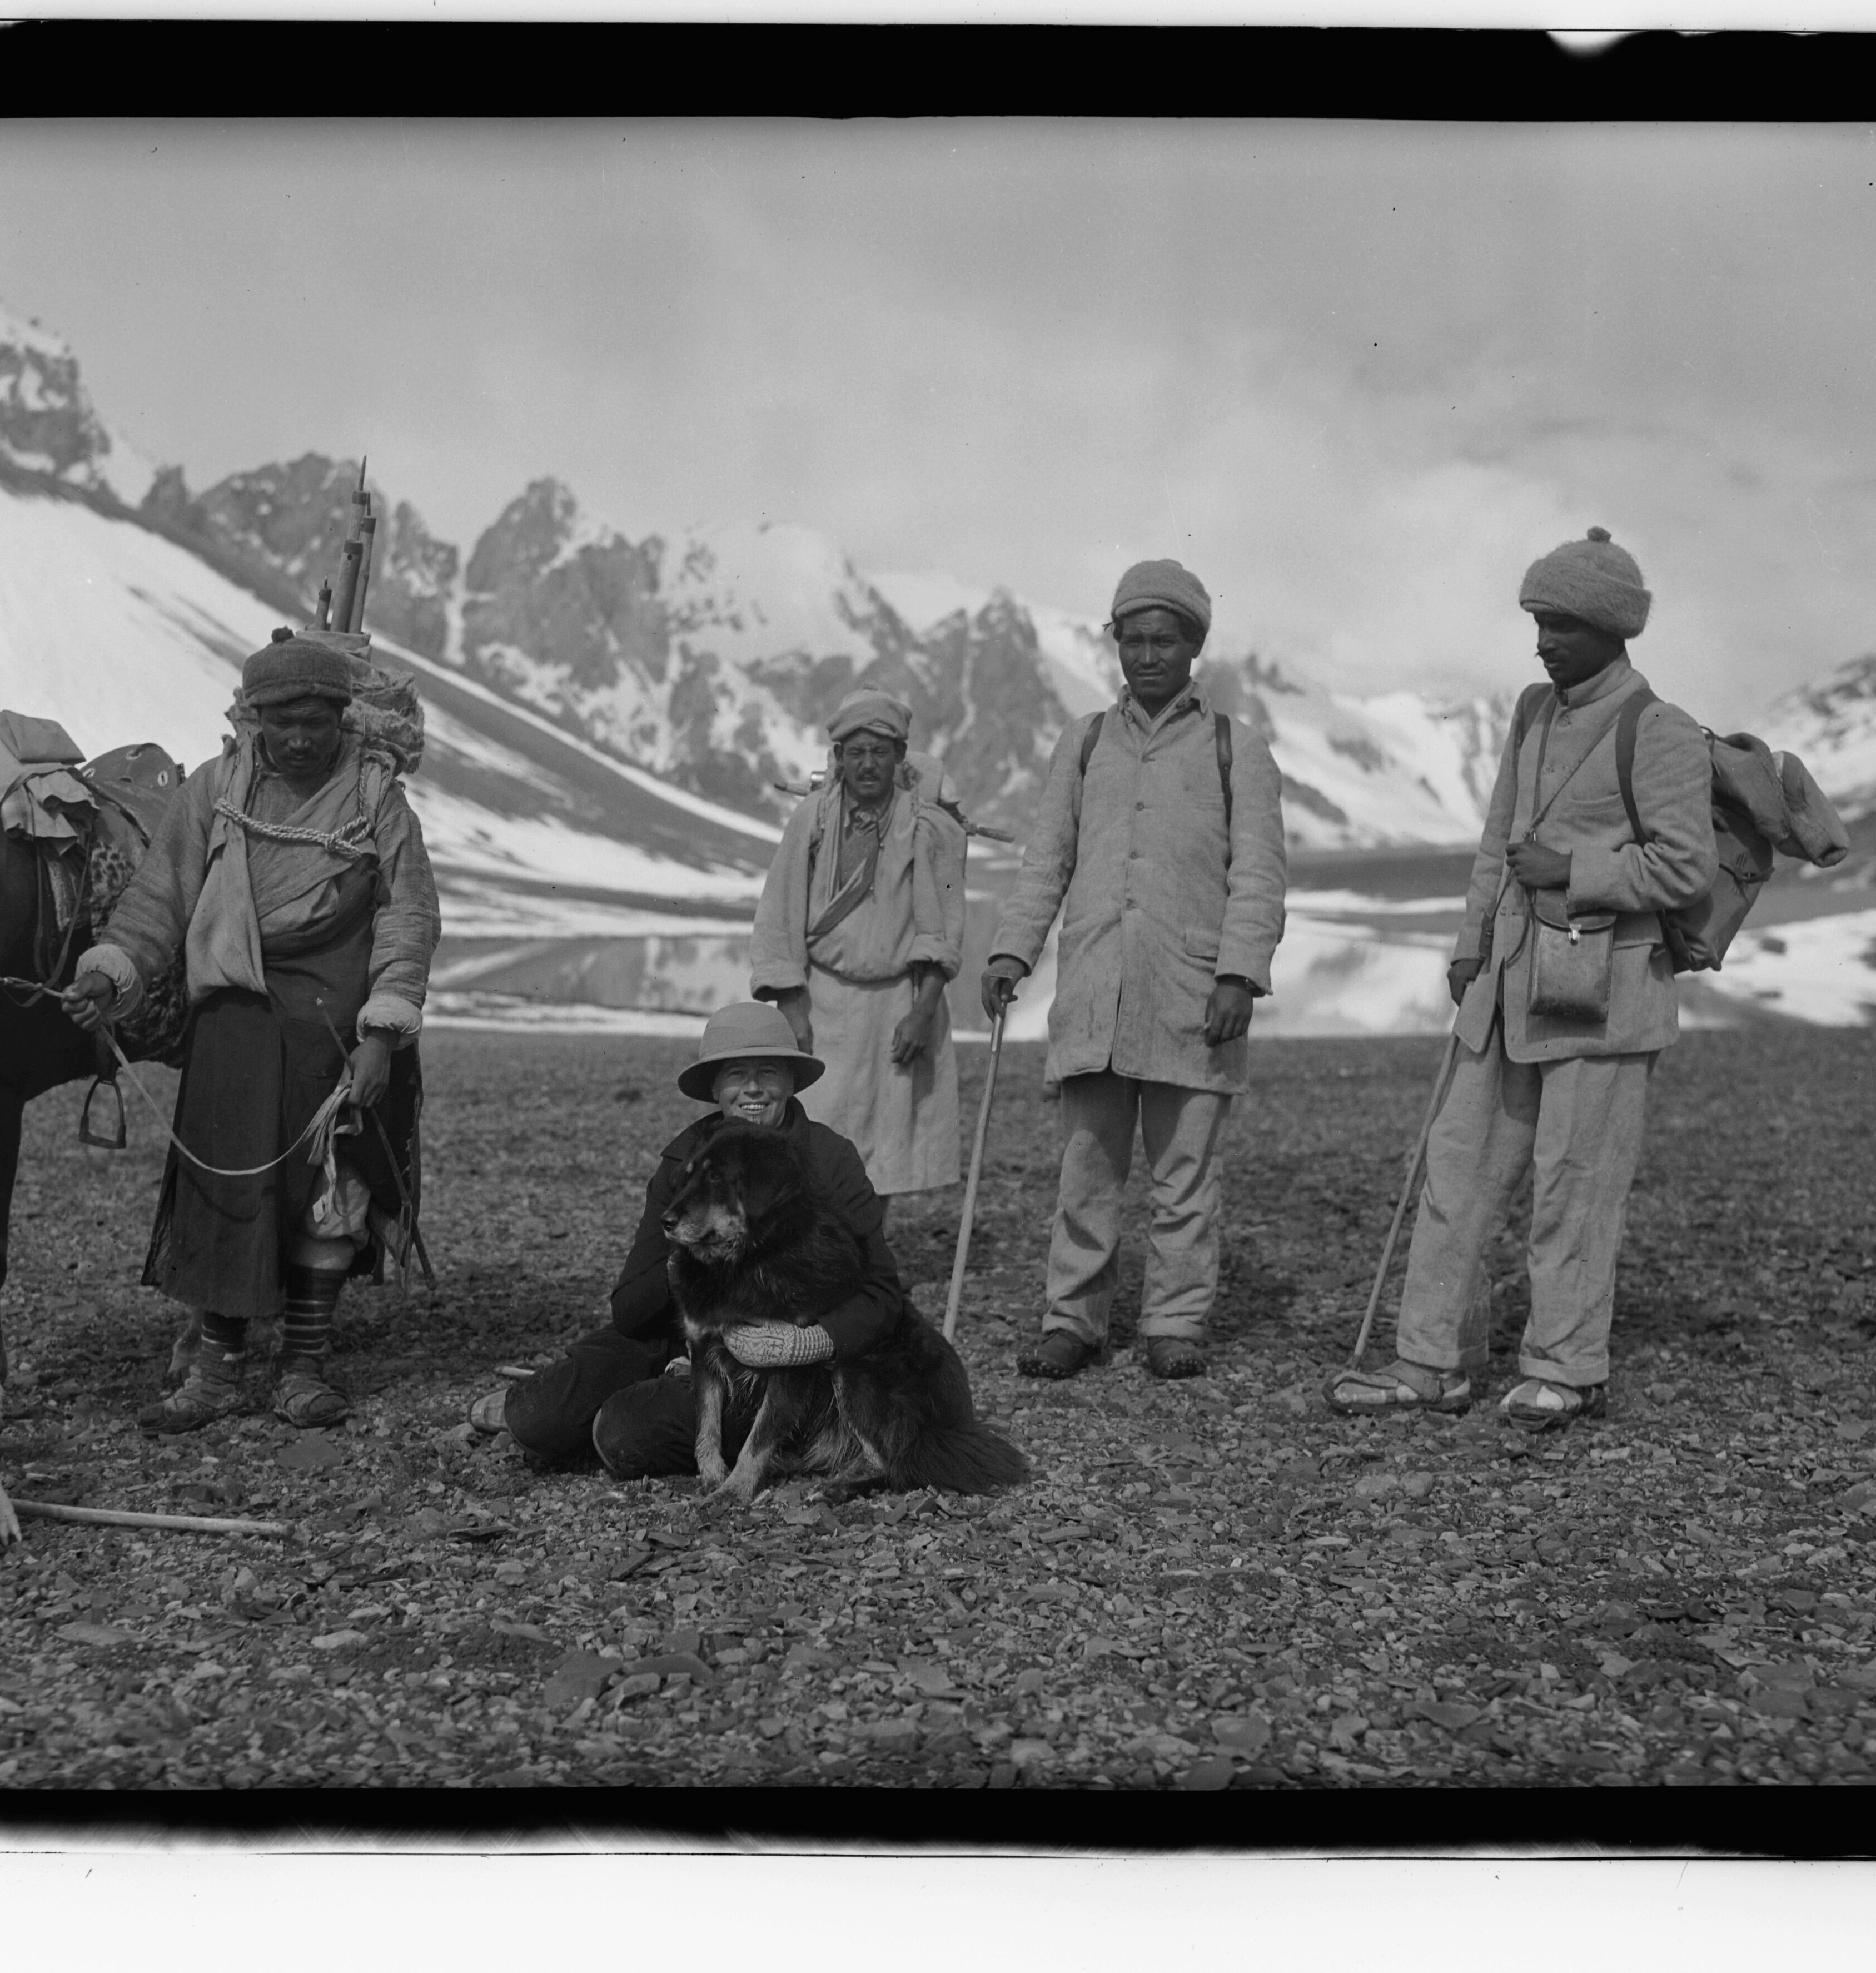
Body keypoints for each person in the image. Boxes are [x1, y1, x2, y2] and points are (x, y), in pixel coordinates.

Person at [1324, 526, 1713, 1430]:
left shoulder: (1658, 729)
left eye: (1562, 625)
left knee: (1575, 1186)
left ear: (1614, 628)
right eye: (1538, 622)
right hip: (1504, 987)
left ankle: (1567, 1369)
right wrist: (1470, 945)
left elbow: (1686, 868)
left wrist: (1572, 870)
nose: (1543, 642)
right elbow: (1498, 845)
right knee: (1455, 1170)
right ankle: (1432, 1362)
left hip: (1605, 999)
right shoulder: (1534, 711)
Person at [64, 630, 440, 1435]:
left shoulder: (377, 800)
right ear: (252, 718)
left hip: (337, 1031)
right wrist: (111, 970)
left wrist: (383, 1036)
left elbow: (407, 917)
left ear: (344, 717)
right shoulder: (215, 788)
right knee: (224, 1191)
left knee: (329, 1196)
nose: (300, 738)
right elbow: (159, 897)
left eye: (317, 721)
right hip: (234, 1026)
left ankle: (304, 1366)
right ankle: (215, 1372)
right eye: (282, 722)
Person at [979, 558, 1288, 1383]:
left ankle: (1174, 1323)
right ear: (1115, 643)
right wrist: (1013, 949)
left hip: (1194, 993)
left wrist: (1239, 974)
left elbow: (1259, 873)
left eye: (1165, 640)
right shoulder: (1084, 742)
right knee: (1086, 1170)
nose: (1148, 655)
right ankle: (1072, 1321)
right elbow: (1048, 858)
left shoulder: (1236, 747)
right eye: (1133, 640)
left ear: (1194, 647)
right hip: (1095, 990)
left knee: (1186, 1175)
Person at [475, 1000, 916, 1474]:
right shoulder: (684, 1160)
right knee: (538, 1421)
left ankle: (753, 1438)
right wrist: (687, 1253)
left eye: (768, 1072)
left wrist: (814, 1342)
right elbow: (630, 1311)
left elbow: (882, 1294)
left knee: (623, 1433)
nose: (752, 1088)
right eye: (736, 1074)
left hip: (774, 1365)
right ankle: (571, 1406)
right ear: (714, 1087)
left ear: (791, 1082)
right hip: (679, 1335)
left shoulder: (829, 1160)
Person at [749, 687, 968, 1199]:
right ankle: (815, 1243)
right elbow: (780, 913)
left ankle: (869, 1244)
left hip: (899, 1005)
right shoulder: (813, 819)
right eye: (857, 752)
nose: (868, 764)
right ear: (839, 757)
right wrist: (792, 1008)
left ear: (900, 756)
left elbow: (942, 930)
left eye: (880, 752)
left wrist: (923, 1012)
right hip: (822, 1002)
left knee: (886, 1150)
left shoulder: (928, 828)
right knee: (812, 1138)